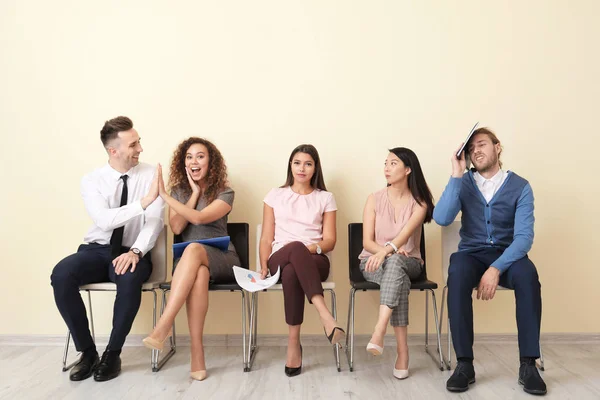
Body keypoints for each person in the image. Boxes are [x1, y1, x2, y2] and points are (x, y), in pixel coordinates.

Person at [433, 128, 546, 395]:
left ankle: (528, 364)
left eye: (481, 144)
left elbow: (523, 238)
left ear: (498, 147)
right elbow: (442, 218)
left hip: (508, 256)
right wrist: (456, 174)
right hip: (471, 255)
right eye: (471, 148)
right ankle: (464, 364)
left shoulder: (520, 186)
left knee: (528, 275)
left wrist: (496, 268)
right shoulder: (463, 182)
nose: (476, 151)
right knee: (457, 272)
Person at [51, 116, 164, 382]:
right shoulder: (92, 181)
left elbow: (155, 221)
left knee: (130, 275)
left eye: (139, 142)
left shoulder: (150, 175)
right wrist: (144, 202)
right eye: (133, 144)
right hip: (96, 250)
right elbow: (104, 220)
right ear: (114, 151)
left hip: (133, 250)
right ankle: (88, 352)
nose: (140, 149)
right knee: (61, 274)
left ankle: (112, 354)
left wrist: (135, 252)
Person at [142, 137, 240, 382]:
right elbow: (176, 227)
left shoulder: (225, 191)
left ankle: (164, 325)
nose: (194, 161)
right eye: (189, 157)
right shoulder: (180, 192)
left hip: (223, 257)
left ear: (211, 162)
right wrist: (193, 193)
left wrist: (164, 196)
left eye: (200, 156)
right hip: (191, 264)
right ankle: (198, 355)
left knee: (195, 249)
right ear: (183, 163)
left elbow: (199, 219)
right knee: (199, 272)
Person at [259, 144, 344, 377]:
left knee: (292, 271)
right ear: (290, 165)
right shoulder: (275, 195)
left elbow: (330, 241)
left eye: (308, 163)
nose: (302, 168)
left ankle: (293, 344)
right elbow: (267, 237)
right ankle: (326, 316)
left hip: (315, 260)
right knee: (292, 251)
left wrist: (311, 248)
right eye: (297, 163)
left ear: (315, 168)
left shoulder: (325, 198)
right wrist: (264, 264)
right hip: (279, 257)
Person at [359, 147, 434, 379]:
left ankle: (379, 329)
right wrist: (385, 253)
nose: (386, 168)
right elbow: (367, 242)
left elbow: (403, 237)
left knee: (398, 263)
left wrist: (389, 252)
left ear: (408, 169)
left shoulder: (420, 203)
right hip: (372, 262)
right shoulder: (374, 198)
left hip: (411, 262)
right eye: (385, 163)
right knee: (395, 271)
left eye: (393, 163)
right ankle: (402, 352)